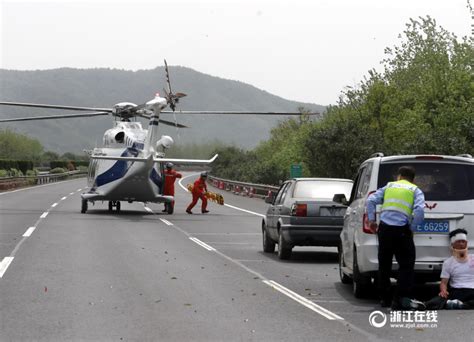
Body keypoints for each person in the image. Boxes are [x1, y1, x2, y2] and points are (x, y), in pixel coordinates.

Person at [367, 166, 426, 310]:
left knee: (384, 264)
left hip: (385, 229)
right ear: (413, 179)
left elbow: (370, 201)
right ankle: (399, 299)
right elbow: (419, 210)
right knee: (406, 266)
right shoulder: (415, 190)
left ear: (399, 176)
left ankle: (384, 299)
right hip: (402, 231)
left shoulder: (389, 186)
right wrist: (412, 228)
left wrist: (372, 220)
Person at [425, 229, 474, 310]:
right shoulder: (448, 263)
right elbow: (444, 283)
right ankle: (423, 305)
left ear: (467, 243)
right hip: (457, 291)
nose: (461, 244)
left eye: (463, 241)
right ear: (453, 244)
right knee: (439, 299)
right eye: (458, 242)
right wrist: (443, 291)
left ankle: (460, 305)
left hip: (472, 290)